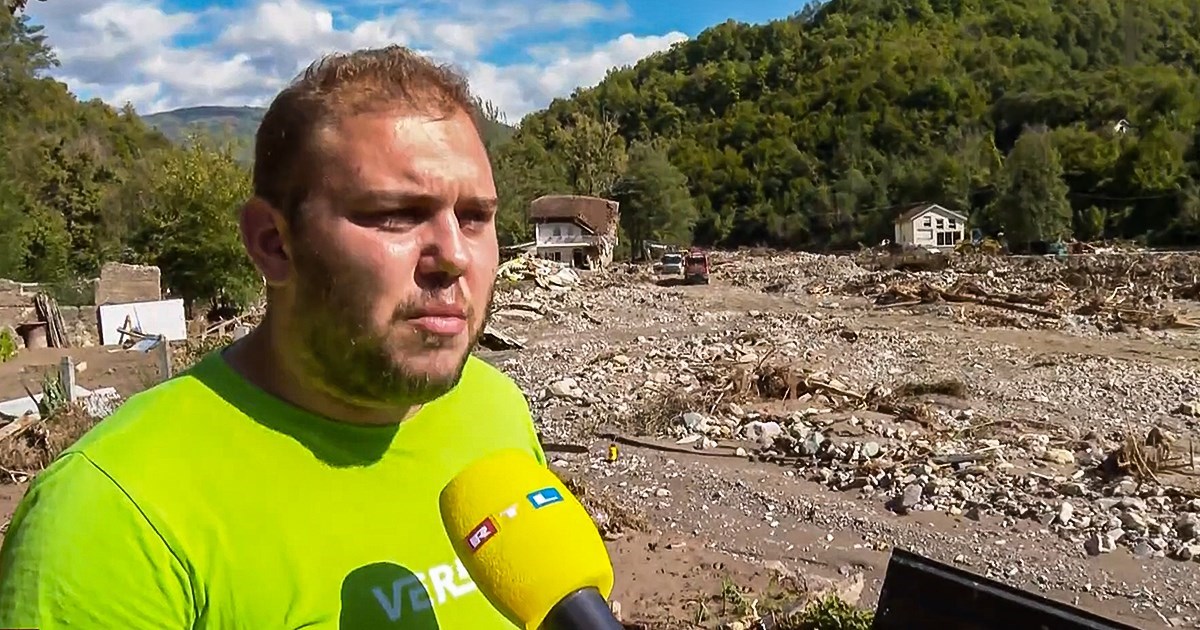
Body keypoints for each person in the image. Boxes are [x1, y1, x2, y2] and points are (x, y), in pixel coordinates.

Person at [0, 45, 545, 629]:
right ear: (272, 243)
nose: (455, 256)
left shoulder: (497, 411)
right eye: (396, 214)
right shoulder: (109, 518)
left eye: (474, 217)